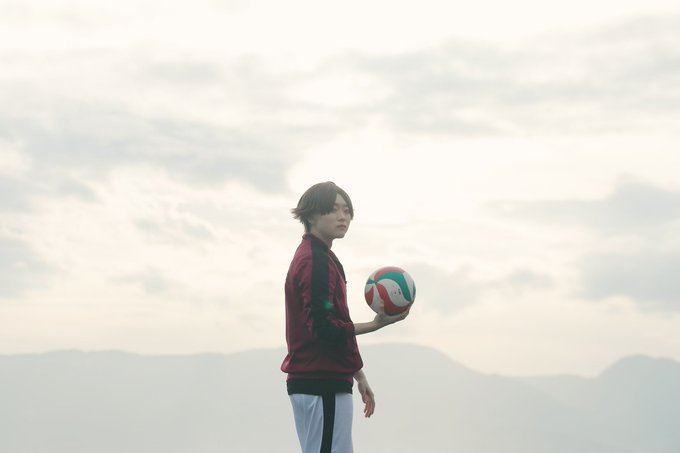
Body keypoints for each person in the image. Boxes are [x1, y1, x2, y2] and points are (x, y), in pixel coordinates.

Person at [281, 181, 409, 453]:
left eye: (347, 210)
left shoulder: (322, 256)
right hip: (320, 382)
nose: (343, 216)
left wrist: (357, 373)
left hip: (322, 379)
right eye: (333, 209)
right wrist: (376, 325)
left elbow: (335, 320)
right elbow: (324, 328)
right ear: (311, 216)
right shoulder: (314, 260)